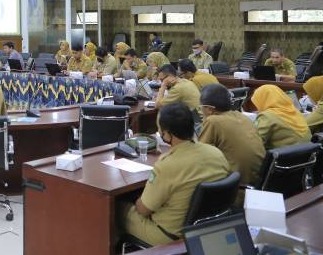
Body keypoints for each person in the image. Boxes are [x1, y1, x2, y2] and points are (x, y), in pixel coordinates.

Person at [120, 103, 230, 246]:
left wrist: (137, 199)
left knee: (116, 208)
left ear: (167, 134)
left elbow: (143, 210)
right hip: (207, 230)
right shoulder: (217, 154)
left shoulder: (166, 165)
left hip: (169, 236)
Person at [198, 84, 266, 197]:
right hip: (256, 184)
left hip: (235, 189)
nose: (200, 110)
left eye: (201, 107)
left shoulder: (213, 121)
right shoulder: (241, 116)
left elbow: (199, 155)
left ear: (209, 109)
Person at [251, 85, 311, 149]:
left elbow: (254, 142)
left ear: (263, 100)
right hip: (306, 152)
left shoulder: (266, 116)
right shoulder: (294, 110)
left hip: (283, 153)